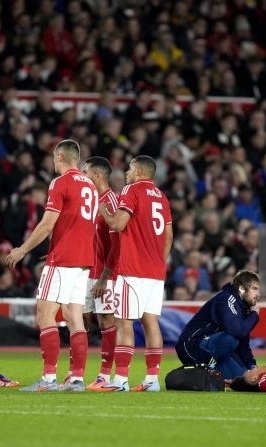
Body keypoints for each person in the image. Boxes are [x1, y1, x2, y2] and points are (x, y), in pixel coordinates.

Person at [5, 139, 97, 392]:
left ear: (58, 158)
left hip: (63, 259)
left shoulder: (60, 182)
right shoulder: (89, 184)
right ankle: (77, 378)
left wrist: (22, 249)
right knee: (74, 317)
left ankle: (47, 380)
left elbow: (47, 224)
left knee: (45, 315)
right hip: (83, 260)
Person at [98, 155, 173, 392]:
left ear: (139, 171)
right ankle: (152, 380)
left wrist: (105, 212)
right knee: (151, 322)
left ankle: (120, 380)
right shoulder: (162, 197)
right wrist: (160, 261)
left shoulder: (132, 190)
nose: (127, 172)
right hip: (155, 271)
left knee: (124, 322)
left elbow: (118, 225)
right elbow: (169, 235)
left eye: (130, 168)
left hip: (133, 269)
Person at [175, 270, 261, 379]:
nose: (258, 294)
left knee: (246, 379)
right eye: (254, 289)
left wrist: (252, 366)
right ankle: (208, 370)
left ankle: (204, 373)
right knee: (230, 339)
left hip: (214, 350)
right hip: (191, 346)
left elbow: (243, 344)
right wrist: (254, 315)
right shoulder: (225, 299)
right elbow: (238, 332)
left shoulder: (243, 308)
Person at [82, 156, 120, 390]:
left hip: (106, 274)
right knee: (81, 319)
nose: (82, 177)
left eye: (85, 173)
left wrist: (105, 277)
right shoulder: (91, 200)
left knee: (106, 320)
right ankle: (75, 374)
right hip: (86, 270)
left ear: (97, 175)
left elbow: (118, 245)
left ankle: (104, 376)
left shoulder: (111, 203)